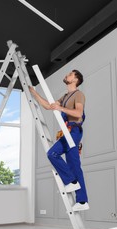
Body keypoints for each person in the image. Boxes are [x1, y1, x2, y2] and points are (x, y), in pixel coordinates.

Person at [29, 70, 89, 211]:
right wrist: (34, 94)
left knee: (52, 154)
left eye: (70, 74)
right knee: (75, 166)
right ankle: (82, 201)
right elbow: (49, 106)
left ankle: (71, 181)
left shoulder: (78, 94)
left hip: (74, 132)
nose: (67, 75)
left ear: (75, 80)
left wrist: (60, 107)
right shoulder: (65, 96)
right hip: (67, 133)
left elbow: (79, 113)